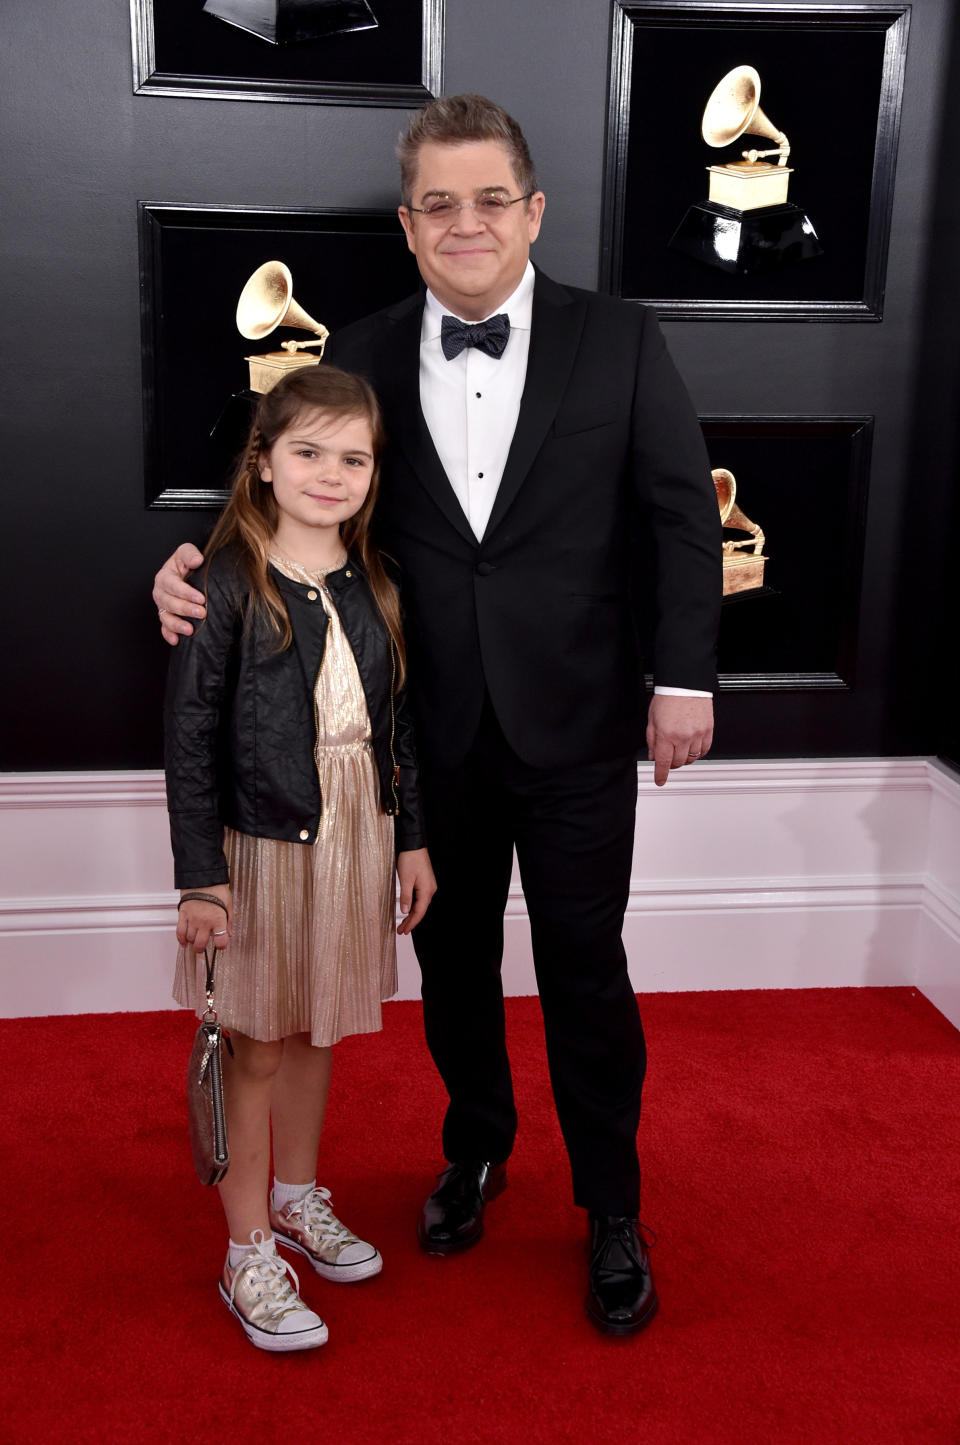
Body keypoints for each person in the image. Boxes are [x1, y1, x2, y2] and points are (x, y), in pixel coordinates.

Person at [155, 94, 721, 1337]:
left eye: (490, 200)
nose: (466, 223)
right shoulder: (355, 346)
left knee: (587, 969)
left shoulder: (620, 339)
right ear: (410, 227)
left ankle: (612, 1208)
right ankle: (475, 1153)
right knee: (451, 966)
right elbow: (292, 485)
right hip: (423, 736)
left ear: (533, 212)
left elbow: (683, 516)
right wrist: (185, 567)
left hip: (576, 722)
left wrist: (685, 678)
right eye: (439, 205)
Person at [165, 365, 435, 1352]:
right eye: (308, 451)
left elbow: (396, 725)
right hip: (259, 843)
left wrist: (411, 838)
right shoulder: (225, 581)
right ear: (266, 463)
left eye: (351, 456)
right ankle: (245, 1250)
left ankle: (294, 1196)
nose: (331, 472)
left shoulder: (378, 581)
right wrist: (202, 873)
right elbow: (192, 736)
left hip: (355, 834)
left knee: (320, 1026)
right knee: (259, 1039)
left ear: (374, 470)